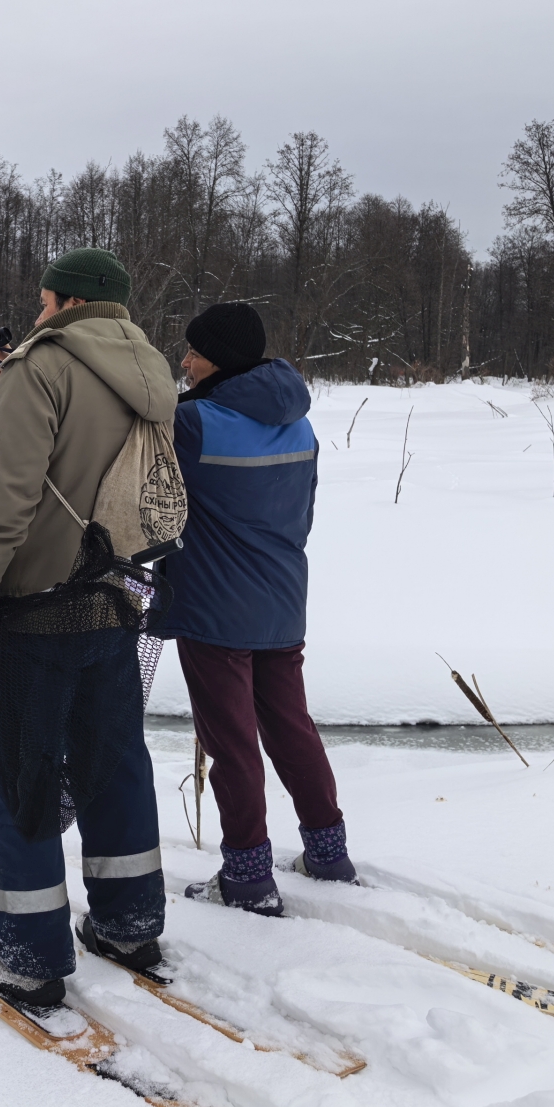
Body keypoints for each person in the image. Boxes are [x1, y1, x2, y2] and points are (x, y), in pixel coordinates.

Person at [0, 247, 179, 1010]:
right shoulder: (149, 369)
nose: (38, 314)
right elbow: (89, 452)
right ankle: (129, 926)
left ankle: (29, 961)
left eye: (45, 302)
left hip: (35, 608)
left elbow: (8, 499)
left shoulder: (40, 368)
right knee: (112, 763)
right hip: (117, 600)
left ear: (71, 302)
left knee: (20, 777)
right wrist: (6, 376)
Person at [155, 301, 354, 916]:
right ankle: (329, 854)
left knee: (232, 743)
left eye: (193, 352)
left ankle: (246, 878)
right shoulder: (300, 423)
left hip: (214, 608)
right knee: (291, 727)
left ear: (219, 359)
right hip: (283, 599)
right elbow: (304, 512)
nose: (184, 362)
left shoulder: (192, 423)